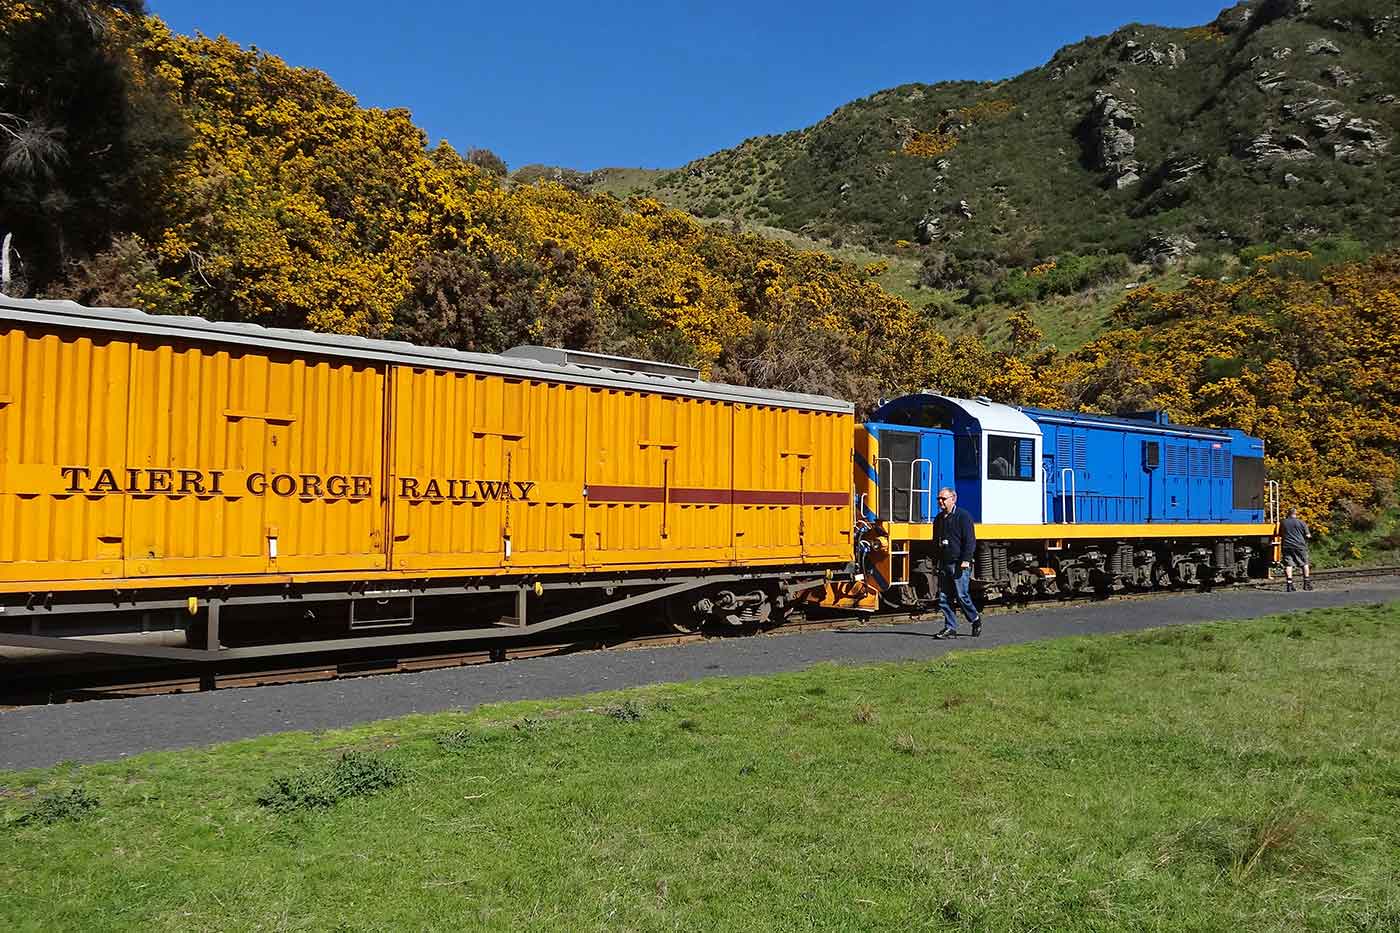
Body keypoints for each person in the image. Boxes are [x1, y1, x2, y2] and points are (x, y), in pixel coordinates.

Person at [932, 487, 981, 638]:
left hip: (959, 563)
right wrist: (936, 561)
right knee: (944, 598)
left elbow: (970, 540)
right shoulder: (939, 519)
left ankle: (975, 620)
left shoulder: (963, 516)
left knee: (961, 596)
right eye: (938, 499)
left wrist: (966, 559)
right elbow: (935, 542)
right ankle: (950, 628)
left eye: (943, 499)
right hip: (945, 563)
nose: (940, 501)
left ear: (953, 499)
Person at [1279, 507, 1313, 592]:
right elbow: (1308, 535)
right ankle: (1306, 583)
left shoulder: (1283, 523)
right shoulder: (1301, 523)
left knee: (1288, 564)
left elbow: (1280, 534)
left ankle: (1289, 585)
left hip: (1286, 546)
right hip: (1300, 546)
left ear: (1288, 513)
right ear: (1295, 513)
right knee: (1304, 563)